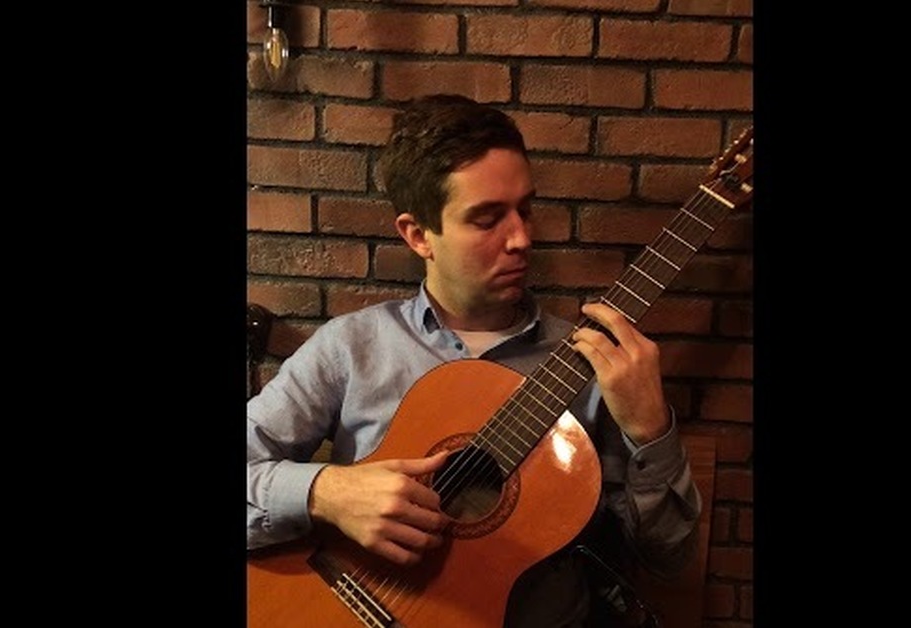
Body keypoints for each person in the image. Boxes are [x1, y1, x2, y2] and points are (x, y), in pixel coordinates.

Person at [247, 93, 702, 627]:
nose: (521, 239)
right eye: (487, 220)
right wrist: (325, 493)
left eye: (525, 210)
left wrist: (652, 431)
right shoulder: (352, 346)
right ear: (419, 235)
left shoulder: (595, 365)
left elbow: (667, 559)